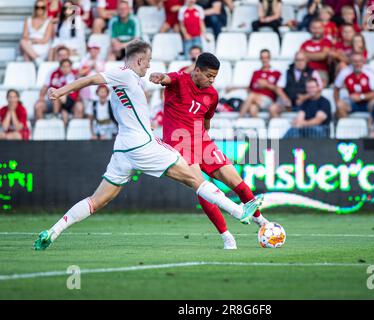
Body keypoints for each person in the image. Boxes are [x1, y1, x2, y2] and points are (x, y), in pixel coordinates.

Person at [33, 40, 263, 251]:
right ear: (140, 60)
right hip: (144, 145)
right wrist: (60, 91)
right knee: (196, 180)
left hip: (123, 150)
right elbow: (91, 79)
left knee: (97, 200)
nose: (148, 67)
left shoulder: (123, 82)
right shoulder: (124, 74)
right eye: (148, 62)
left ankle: (53, 231)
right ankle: (239, 211)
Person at [150, 52, 269, 249]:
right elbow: (166, 78)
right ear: (197, 71)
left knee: (237, 183)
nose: (212, 80)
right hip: (180, 143)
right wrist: (158, 76)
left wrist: (203, 140)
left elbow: (206, 121)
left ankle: (261, 222)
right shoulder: (180, 80)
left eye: (215, 76)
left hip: (202, 141)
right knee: (203, 188)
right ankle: (226, 236)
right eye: (209, 75)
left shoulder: (212, 94)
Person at [238, 49, 291, 117]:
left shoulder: (276, 73)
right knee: (252, 108)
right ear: (260, 59)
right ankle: (259, 126)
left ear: (269, 58)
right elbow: (250, 88)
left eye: (266, 57)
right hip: (256, 100)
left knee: (252, 95)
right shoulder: (256, 73)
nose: (264, 60)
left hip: (269, 100)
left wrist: (267, 85)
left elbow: (279, 89)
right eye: (262, 57)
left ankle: (239, 118)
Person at [269, 51, 323, 118]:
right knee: (273, 108)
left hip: (306, 104)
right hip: (289, 104)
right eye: (298, 60)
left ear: (306, 60)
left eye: (302, 60)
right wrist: (285, 99)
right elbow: (278, 88)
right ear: (294, 61)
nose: (300, 62)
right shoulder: (288, 72)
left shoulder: (312, 72)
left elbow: (319, 90)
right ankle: (279, 127)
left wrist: (305, 97)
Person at [39, 58, 84, 126]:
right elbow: (48, 88)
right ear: (60, 67)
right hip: (58, 101)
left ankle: (76, 129)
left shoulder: (76, 75)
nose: (65, 68)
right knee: (57, 98)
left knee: (79, 106)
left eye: (67, 66)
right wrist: (41, 97)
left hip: (71, 100)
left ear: (71, 67)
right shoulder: (55, 75)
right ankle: (54, 119)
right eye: (63, 66)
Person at [334, 52, 374, 118]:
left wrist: (361, 97)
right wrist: (337, 102)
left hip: (367, 102)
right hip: (352, 103)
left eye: (359, 61)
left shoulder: (369, 72)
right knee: (340, 105)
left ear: (363, 61)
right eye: (355, 61)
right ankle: (346, 126)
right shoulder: (345, 72)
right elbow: (336, 89)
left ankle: (372, 126)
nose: (357, 63)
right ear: (351, 62)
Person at [300, 19, 332, 86]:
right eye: (314, 28)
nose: (317, 30)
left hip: (321, 71)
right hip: (306, 71)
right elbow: (301, 56)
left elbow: (323, 56)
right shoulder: (305, 43)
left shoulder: (327, 42)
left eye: (319, 28)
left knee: (319, 85)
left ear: (323, 29)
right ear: (310, 29)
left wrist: (307, 55)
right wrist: (318, 55)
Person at [20, 0, 53, 65]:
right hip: (30, 44)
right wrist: (32, 41)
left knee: (26, 50)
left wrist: (35, 40)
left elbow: (46, 39)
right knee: (23, 43)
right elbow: (25, 35)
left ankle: (35, 63)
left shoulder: (48, 21)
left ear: (45, 9)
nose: (39, 9)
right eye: (37, 7)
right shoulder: (28, 20)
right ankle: (37, 59)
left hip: (43, 46)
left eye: (42, 7)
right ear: (34, 8)